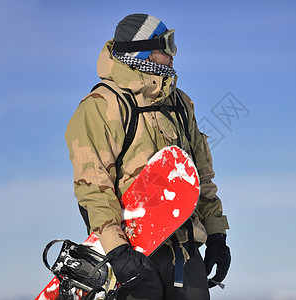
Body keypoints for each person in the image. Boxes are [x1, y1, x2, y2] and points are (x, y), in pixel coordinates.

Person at [65, 13, 230, 300]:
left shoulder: (180, 102)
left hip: (185, 251)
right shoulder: (102, 107)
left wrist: (216, 234)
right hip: (134, 255)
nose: (172, 55)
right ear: (140, 52)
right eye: (165, 47)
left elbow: (199, 173)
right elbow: (93, 187)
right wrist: (116, 250)